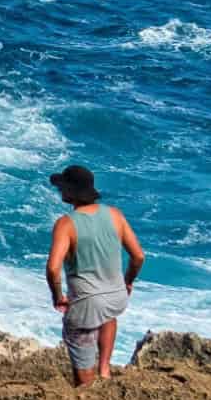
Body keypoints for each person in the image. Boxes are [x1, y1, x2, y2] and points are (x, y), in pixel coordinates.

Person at [45, 164, 146, 386]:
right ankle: (105, 368)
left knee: (83, 371)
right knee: (107, 313)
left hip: (87, 304)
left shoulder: (66, 224)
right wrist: (128, 281)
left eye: (62, 187)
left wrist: (57, 296)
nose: (60, 191)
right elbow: (138, 256)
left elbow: (53, 268)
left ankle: (88, 388)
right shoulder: (114, 215)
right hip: (116, 296)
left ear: (70, 193)